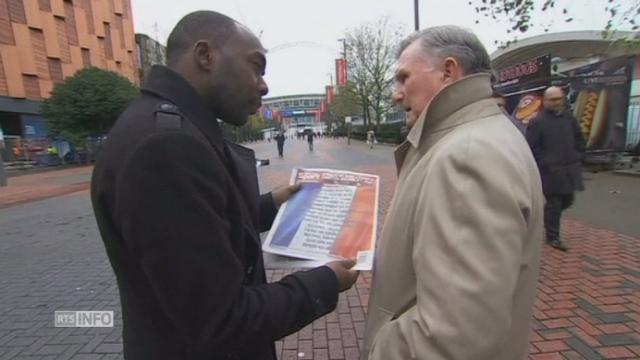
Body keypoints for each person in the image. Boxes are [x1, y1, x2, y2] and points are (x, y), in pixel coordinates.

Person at [91, 11, 358, 360]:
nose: (264, 85)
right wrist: (325, 282)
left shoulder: (169, 126)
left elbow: (204, 222)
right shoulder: (165, 147)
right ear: (206, 56)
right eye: (256, 67)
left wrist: (273, 203)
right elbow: (222, 320)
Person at [361, 26, 543, 360]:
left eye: (403, 78)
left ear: (448, 71)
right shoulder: (478, 136)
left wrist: (380, 348)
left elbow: (455, 336)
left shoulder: (467, 153)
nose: (396, 94)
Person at [526, 86, 585, 252]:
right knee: (555, 202)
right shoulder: (537, 122)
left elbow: (579, 137)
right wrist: (543, 163)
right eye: (553, 99)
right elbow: (532, 147)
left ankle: (548, 217)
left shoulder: (568, 118)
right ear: (545, 101)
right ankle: (553, 237)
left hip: (569, 167)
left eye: (559, 98)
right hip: (550, 171)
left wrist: (578, 154)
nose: (557, 102)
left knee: (568, 200)